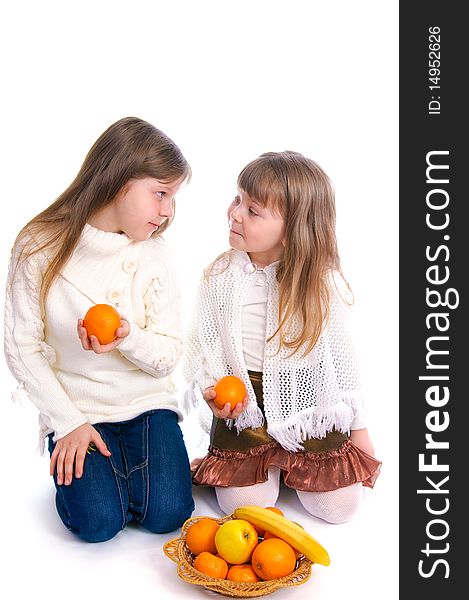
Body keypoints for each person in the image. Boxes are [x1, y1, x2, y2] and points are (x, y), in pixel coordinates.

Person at [4, 117, 195, 542]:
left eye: (172, 198)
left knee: (168, 514)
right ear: (118, 181)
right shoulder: (39, 245)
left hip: (145, 402)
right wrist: (67, 420)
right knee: (97, 524)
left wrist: (128, 337)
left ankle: (130, 477)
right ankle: (108, 481)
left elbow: (167, 355)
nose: (167, 212)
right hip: (78, 407)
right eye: (160, 193)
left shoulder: (155, 256)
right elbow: (21, 345)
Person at [183, 151, 381, 524]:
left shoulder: (320, 283)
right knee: (246, 510)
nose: (235, 213)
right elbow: (202, 345)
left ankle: (292, 462)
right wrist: (212, 390)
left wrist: (359, 429)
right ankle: (266, 463)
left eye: (253, 211)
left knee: (338, 510)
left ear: (292, 232)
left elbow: (343, 362)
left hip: (306, 401)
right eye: (237, 198)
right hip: (244, 404)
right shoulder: (220, 274)